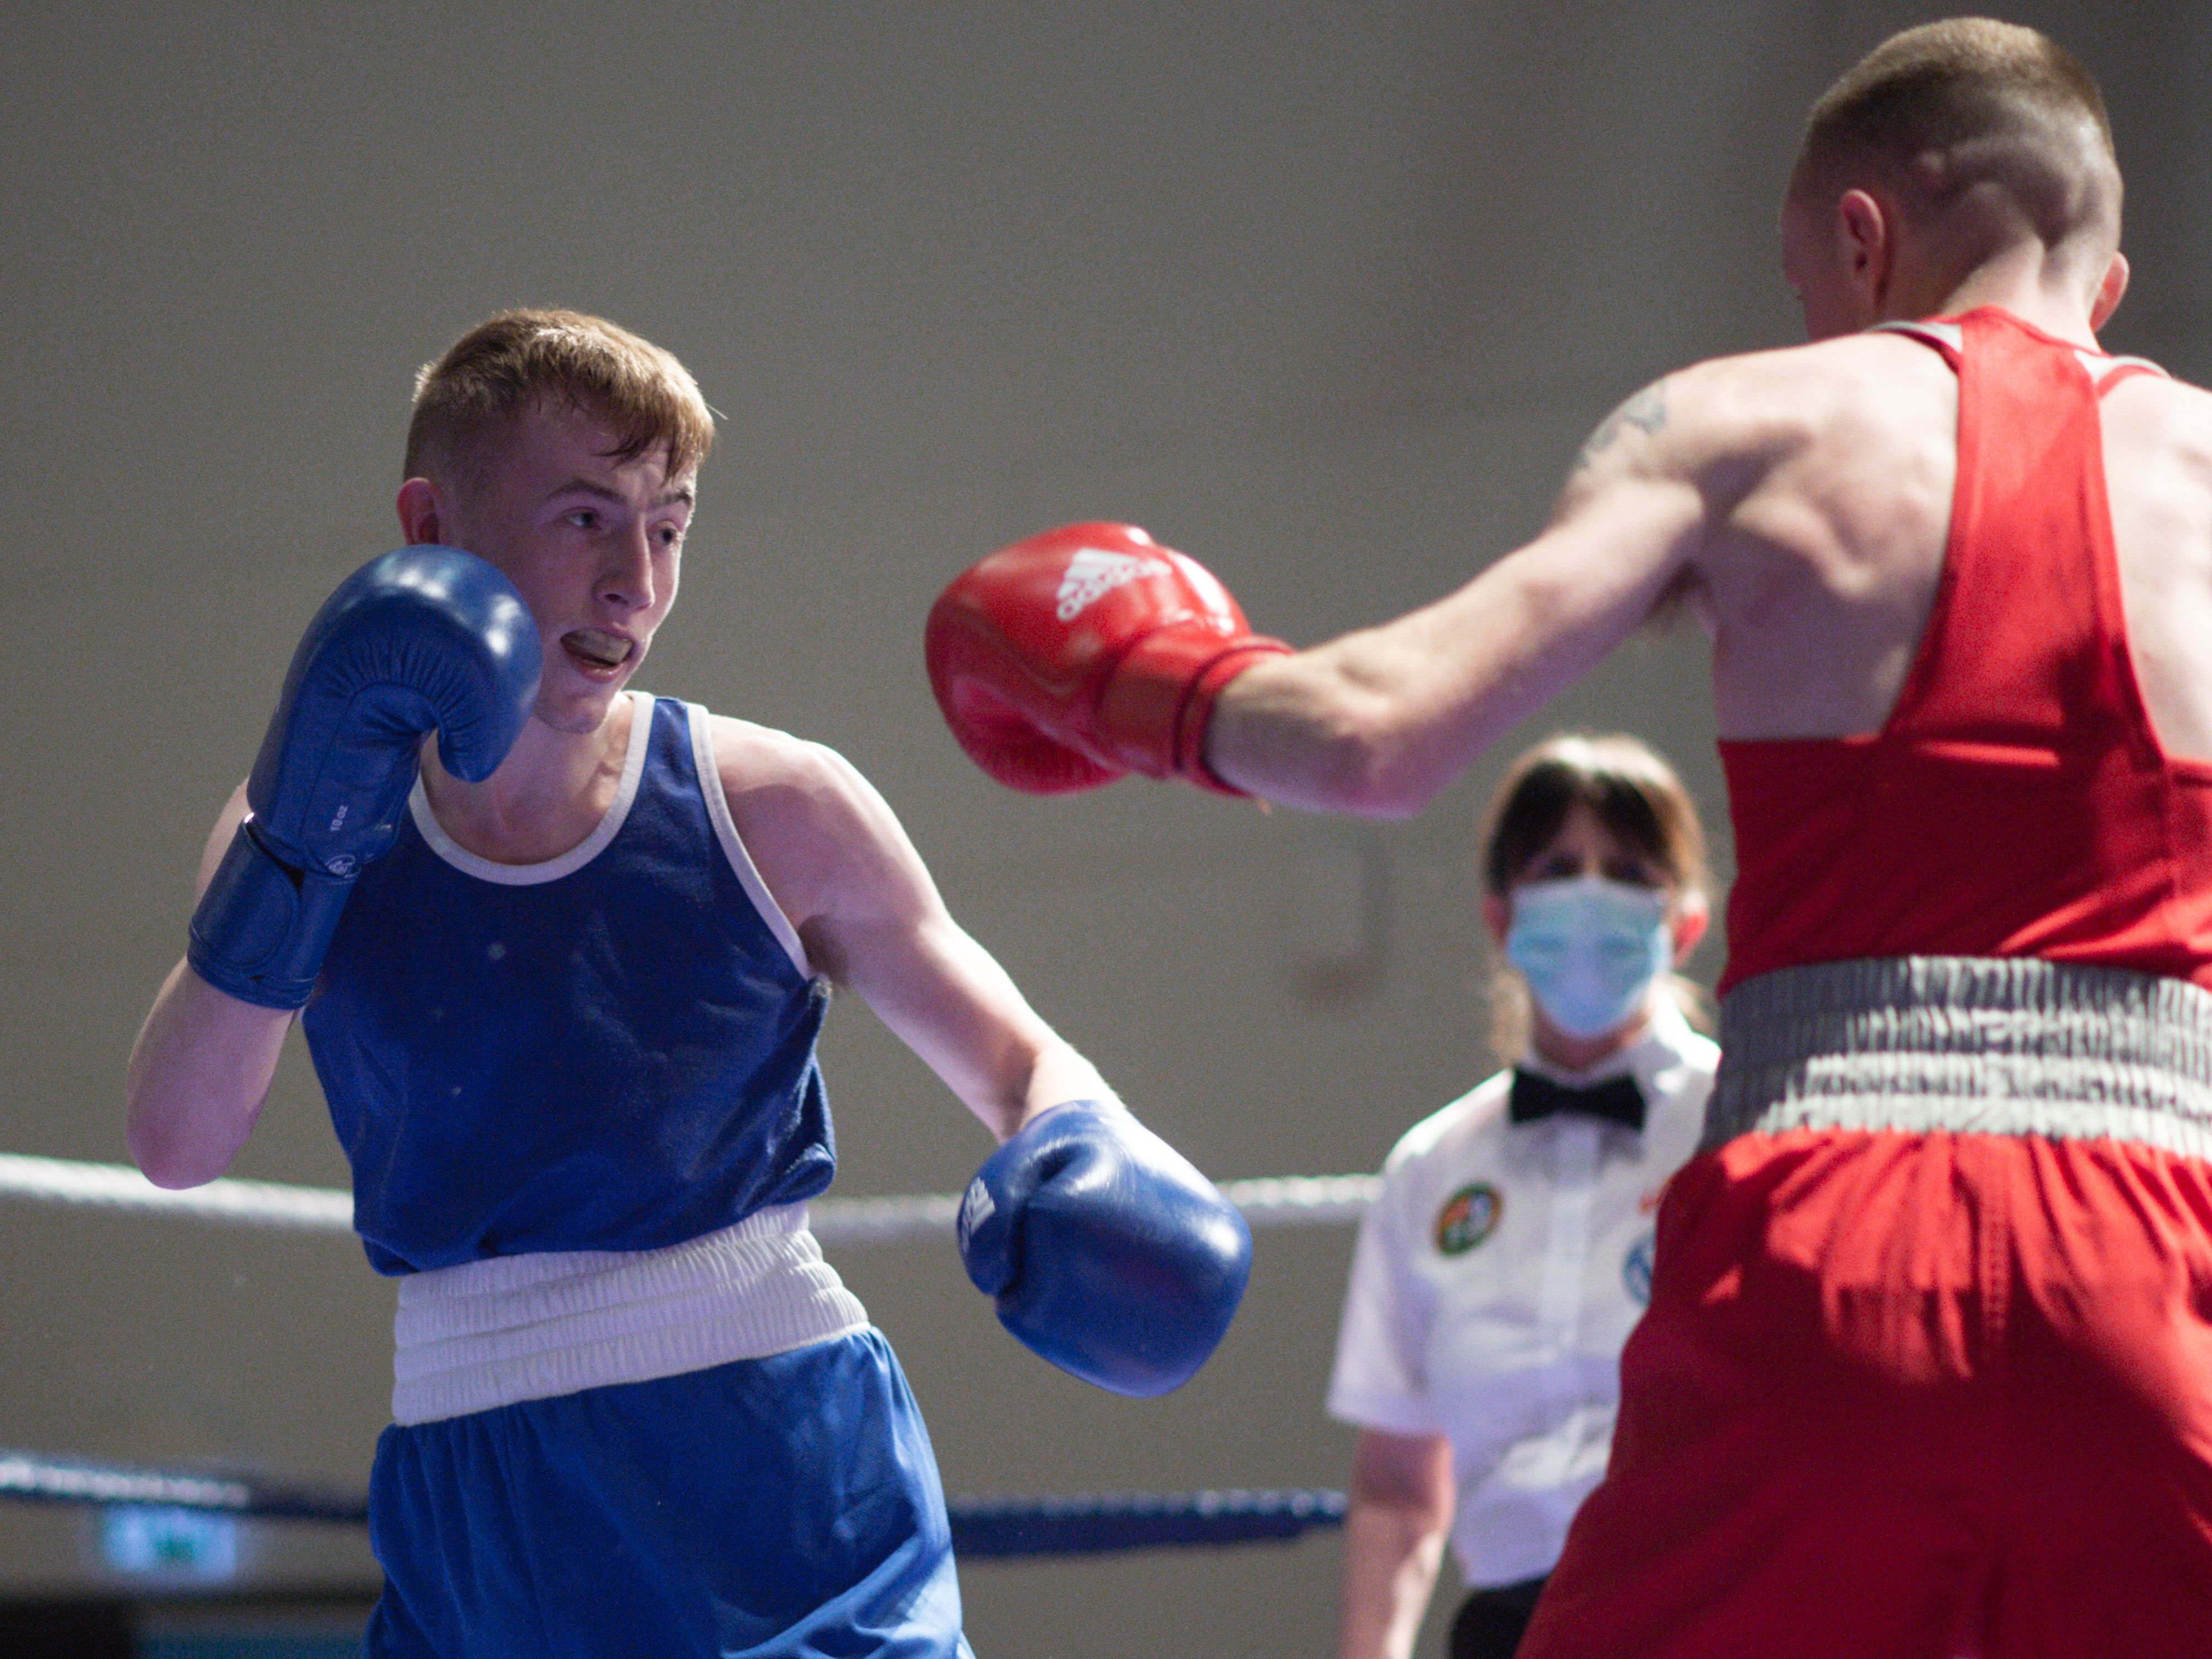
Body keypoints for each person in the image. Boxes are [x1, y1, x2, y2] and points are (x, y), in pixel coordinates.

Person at [924, 18, 2212, 1654]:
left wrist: (1136, 682)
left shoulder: (1753, 423)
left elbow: (1374, 734)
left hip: (1829, 1245)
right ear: (2104, 287)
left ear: (1862, 236)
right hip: (2173, 1245)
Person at [123, 309, 1251, 1657]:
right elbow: (176, 1143)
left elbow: (1019, 1060)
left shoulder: (770, 805)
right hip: (476, 1493)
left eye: (668, 527)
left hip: (770, 1462)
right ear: (430, 523)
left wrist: (1082, 1143)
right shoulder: (300, 819)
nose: (634, 585)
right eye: (585, 519)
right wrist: (301, 840)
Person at [1330, 735, 1715, 1659]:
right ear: (1502, 918)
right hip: (1509, 1630)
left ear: (1685, 920)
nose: (1591, 890)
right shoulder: (1431, 1167)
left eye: (1627, 869)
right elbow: (1395, 1486)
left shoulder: (1745, 1124)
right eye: (1559, 867)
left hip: (1712, 1608)